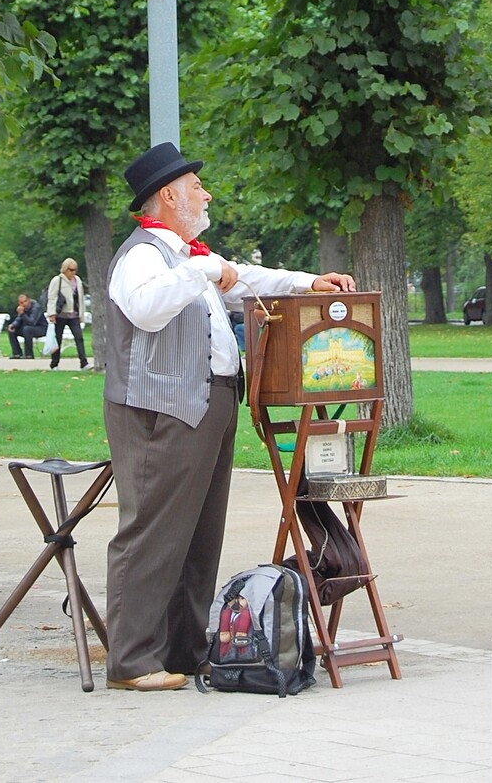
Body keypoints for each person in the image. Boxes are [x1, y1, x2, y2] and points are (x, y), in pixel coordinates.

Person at [104, 142, 356, 693]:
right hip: (159, 406)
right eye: (197, 185)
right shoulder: (144, 254)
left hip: (210, 399)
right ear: (169, 195)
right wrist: (202, 270)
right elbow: (146, 308)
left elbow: (243, 279)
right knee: (152, 529)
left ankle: (185, 649)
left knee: (198, 532)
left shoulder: (191, 254)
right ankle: (131, 659)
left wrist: (305, 283)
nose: (206, 192)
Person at [46, 258, 90, 370]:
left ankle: (84, 363)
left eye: (75, 270)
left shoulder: (78, 280)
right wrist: (51, 313)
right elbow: (52, 297)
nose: (73, 272)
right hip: (61, 315)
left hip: (74, 314)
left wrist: (81, 314)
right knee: (58, 339)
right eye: (71, 270)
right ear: (65, 269)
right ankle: (54, 364)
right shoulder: (57, 280)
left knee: (79, 337)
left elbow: (80, 298)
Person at [7, 293, 48, 359]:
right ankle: (17, 353)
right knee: (12, 330)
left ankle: (29, 354)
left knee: (27, 329)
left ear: (28, 300)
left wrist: (22, 314)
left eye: (25, 301)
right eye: (21, 302)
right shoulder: (22, 309)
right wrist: (13, 325)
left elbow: (32, 322)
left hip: (42, 328)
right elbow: (19, 319)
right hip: (28, 329)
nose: (24, 304)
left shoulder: (36, 307)